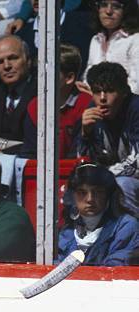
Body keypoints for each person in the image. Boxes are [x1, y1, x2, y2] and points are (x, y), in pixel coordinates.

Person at [74, 61, 139, 214]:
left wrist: (104, 176)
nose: (102, 98)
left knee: (122, 185)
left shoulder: (136, 108)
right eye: (97, 91)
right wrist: (85, 134)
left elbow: (137, 162)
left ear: (124, 91)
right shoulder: (92, 111)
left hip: (129, 181)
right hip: (113, 177)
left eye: (109, 91)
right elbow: (83, 164)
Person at [58, 162, 139, 265]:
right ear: (72, 196)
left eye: (98, 192)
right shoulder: (67, 230)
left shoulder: (127, 226)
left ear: (108, 195)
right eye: (82, 192)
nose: (90, 199)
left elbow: (116, 267)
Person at [22, 44, 91, 158]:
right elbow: (30, 152)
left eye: (48, 73)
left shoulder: (86, 105)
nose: (41, 77)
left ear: (69, 78)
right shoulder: (35, 106)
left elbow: (80, 153)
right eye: (40, 72)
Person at [83, 0, 139, 95]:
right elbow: (87, 78)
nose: (108, 11)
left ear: (126, 11)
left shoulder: (135, 39)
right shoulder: (95, 40)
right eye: (104, 5)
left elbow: (136, 85)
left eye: (116, 6)